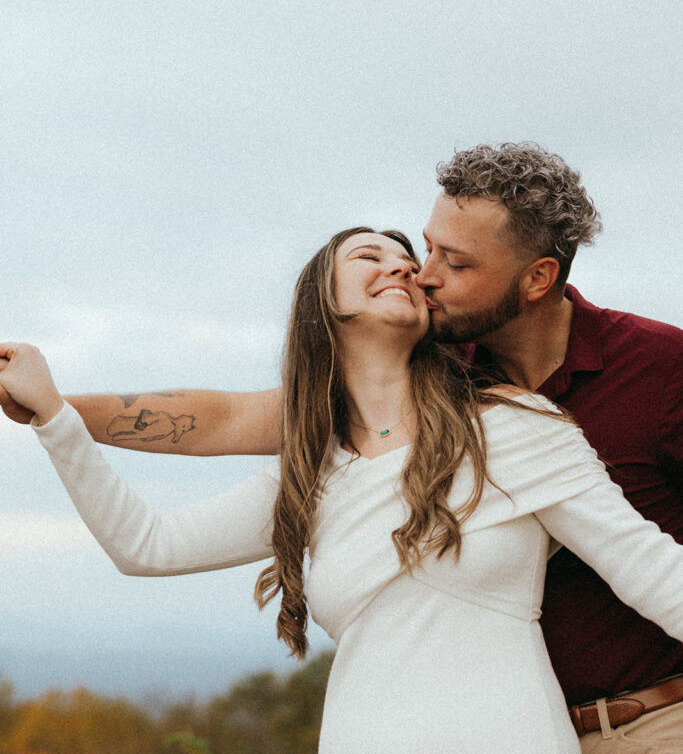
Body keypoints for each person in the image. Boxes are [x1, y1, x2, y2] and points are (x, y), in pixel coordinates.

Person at [1, 142, 681, 750]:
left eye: (441, 262)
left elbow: (653, 572)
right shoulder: (312, 469)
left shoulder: (519, 424)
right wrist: (54, 413)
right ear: (320, 304)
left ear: (533, 278)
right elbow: (153, 535)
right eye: (381, 255)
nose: (419, 272)